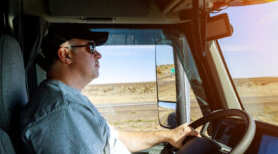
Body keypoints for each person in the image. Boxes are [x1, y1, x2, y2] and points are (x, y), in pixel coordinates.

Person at [20, 24, 199, 154]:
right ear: (65, 54)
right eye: (91, 47)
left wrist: (168, 135)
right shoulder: (63, 112)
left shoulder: (69, 100)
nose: (99, 54)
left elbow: (113, 139)